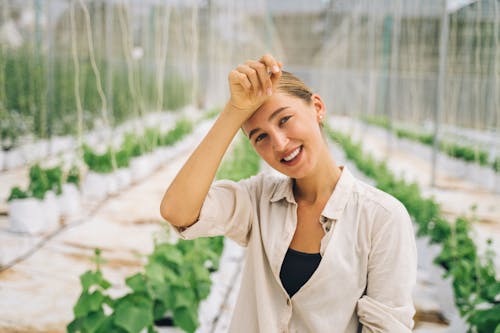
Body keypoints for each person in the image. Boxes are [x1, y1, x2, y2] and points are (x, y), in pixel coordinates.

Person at [160, 54, 417, 332]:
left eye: (284, 120)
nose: (280, 144)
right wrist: (233, 111)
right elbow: (178, 211)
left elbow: (387, 327)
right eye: (260, 137)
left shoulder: (382, 218)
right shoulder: (258, 199)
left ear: (317, 107)